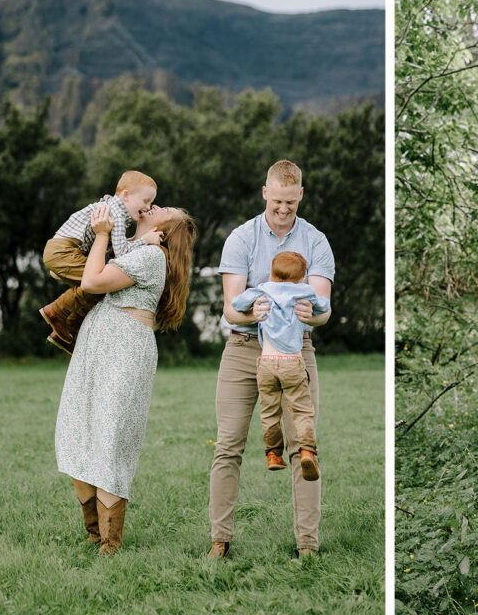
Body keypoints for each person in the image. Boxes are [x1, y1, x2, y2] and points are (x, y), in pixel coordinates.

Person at [208, 160, 334, 560]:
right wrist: (254, 314)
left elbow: (323, 308)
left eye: (290, 203)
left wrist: (308, 315)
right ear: (265, 193)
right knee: (228, 445)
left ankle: (307, 547)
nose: (283, 209)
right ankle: (220, 542)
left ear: (301, 196)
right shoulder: (241, 238)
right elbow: (230, 309)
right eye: (277, 201)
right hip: (244, 351)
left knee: (305, 446)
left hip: (297, 354)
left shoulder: (316, 241)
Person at [55, 203, 197, 555]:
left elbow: (91, 281)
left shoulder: (152, 256)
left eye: (165, 208)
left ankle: (109, 541)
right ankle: (93, 532)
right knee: (78, 429)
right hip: (98, 345)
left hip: (123, 348)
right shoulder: (138, 248)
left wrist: (102, 234)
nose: (156, 205)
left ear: (167, 230)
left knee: (109, 438)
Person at [231, 251, 330, 477]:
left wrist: (253, 303)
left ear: (272, 274)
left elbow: (237, 303)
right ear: (302, 277)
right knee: (302, 411)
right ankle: (307, 451)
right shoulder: (304, 292)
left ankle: (273, 454)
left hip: (266, 363)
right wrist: (311, 301)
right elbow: (323, 307)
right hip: (293, 362)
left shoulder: (263, 290)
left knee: (269, 412)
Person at [39, 170, 160, 354]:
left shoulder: (113, 209)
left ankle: (65, 330)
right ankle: (56, 311)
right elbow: (120, 254)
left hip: (62, 250)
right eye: (145, 201)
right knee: (100, 283)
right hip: (64, 250)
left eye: (150, 202)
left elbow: (114, 249)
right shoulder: (116, 214)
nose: (148, 207)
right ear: (125, 195)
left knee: (98, 288)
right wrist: (146, 240)